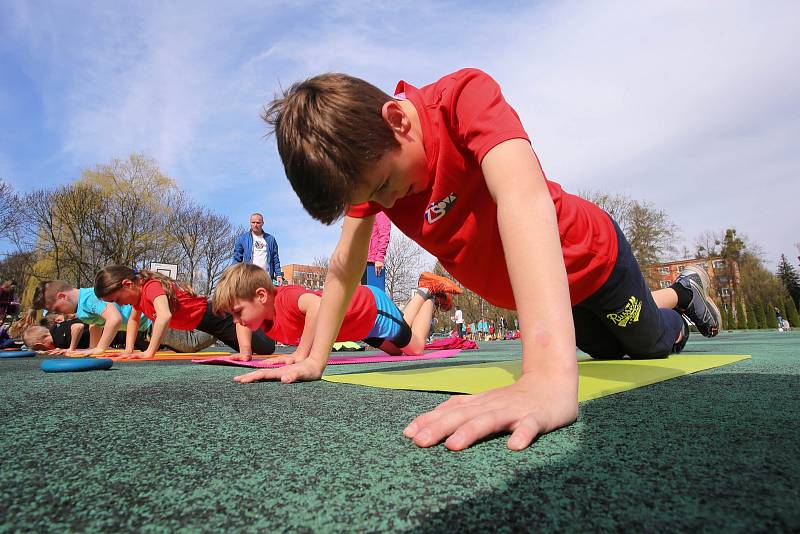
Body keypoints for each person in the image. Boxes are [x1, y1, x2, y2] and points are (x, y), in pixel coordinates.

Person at [257, 68, 721, 451]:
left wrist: (545, 377)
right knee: (606, 351)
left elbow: (521, 196)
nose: (386, 200)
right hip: (550, 298)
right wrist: (314, 357)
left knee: (644, 347)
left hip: (593, 263)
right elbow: (343, 265)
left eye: (383, 185)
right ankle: (667, 296)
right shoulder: (372, 169)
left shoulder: (462, 99)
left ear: (397, 120)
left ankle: (682, 297)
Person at [211, 263, 460, 379]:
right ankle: (426, 293)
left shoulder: (285, 298)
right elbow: (242, 322)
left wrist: (301, 354)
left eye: (238, 312)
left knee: (415, 347)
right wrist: (245, 352)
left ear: (261, 296)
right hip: (360, 327)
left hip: (368, 308)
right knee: (398, 349)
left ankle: (426, 292)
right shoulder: (259, 316)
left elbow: (318, 307)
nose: (237, 321)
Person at [94, 265, 275, 359]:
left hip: (213, 316)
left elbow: (164, 316)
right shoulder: (138, 299)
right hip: (200, 324)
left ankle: (270, 319)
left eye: (117, 299)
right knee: (251, 349)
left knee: (265, 348)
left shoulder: (151, 287)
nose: (121, 305)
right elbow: (133, 320)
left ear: (127, 284)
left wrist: (149, 352)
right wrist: (128, 349)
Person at [32, 280, 155, 355]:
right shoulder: (81, 307)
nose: (59, 313)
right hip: (145, 327)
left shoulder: (90, 297)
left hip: (152, 322)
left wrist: (100, 348)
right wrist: (92, 348)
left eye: (57, 309)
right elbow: (96, 323)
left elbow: (114, 319)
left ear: (62, 297)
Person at [233, 212, 283, 284]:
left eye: (258, 223)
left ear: (262, 223)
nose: (255, 225)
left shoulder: (270, 239)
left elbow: (275, 258)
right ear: (250, 223)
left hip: (266, 277)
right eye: (253, 222)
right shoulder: (242, 238)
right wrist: (234, 275)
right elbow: (237, 258)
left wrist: (278, 275)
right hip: (248, 277)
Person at [362, 211, 391, 291]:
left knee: (372, 294)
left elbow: (384, 233)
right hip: (359, 260)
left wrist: (379, 258)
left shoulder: (379, 209)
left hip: (371, 261)